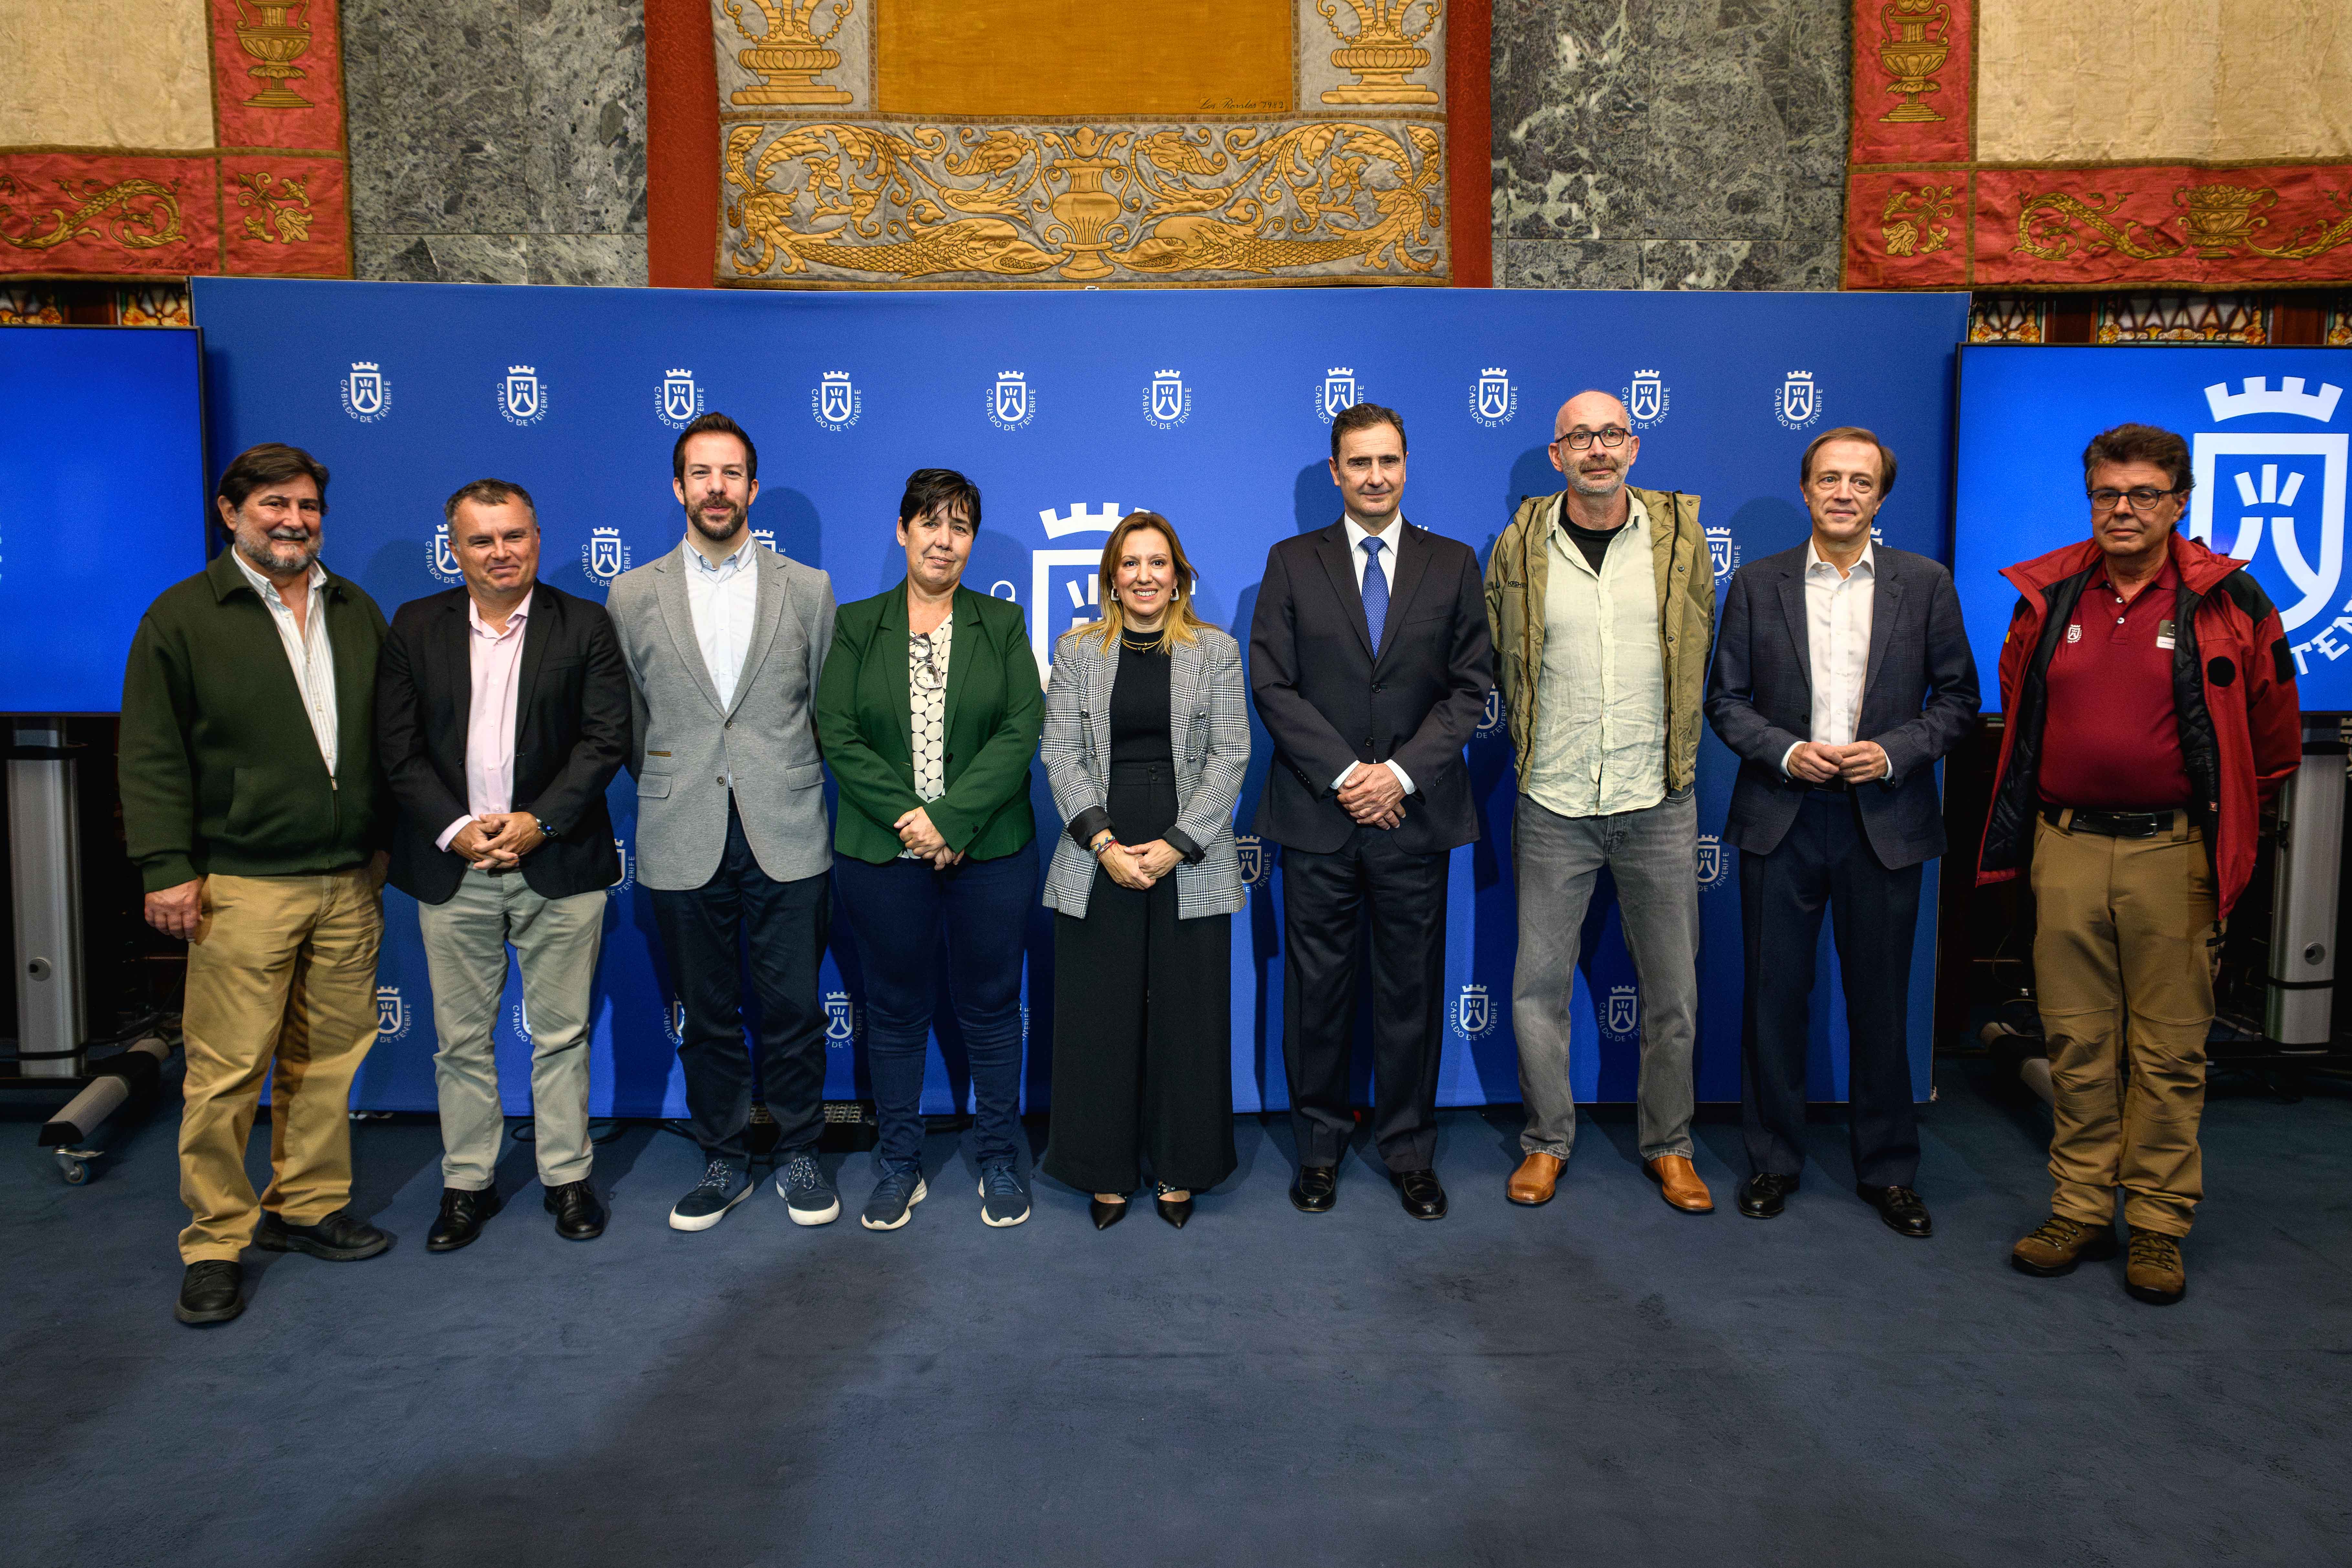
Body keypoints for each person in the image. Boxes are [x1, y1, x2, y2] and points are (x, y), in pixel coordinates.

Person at [1979, 422, 2298, 1305]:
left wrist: (2218, 831)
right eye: (2105, 495)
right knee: (2078, 1041)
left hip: (2172, 854)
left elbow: (2269, 743)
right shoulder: (2046, 596)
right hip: (2066, 845)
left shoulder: (2231, 600)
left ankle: (2156, 1223)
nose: (2121, 510)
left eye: (2142, 494)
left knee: (2167, 1051)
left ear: (2178, 503)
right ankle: (2079, 1206)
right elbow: (2019, 716)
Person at [120, 443, 394, 1326]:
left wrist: (381, 842)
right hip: (240, 882)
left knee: (328, 1059)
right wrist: (166, 866)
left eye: (309, 505)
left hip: (347, 879)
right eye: (274, 503)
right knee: (227, 1070)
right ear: (229, 510)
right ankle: (215, 1240)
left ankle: (306, 1207)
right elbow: (153, 752)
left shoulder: (355, 608)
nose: (294, 520)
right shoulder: (183, 616)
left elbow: (388, 737)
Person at [1705, 428, 1979, 1236]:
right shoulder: (1757, 584)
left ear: (1881, 497)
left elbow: (1959, 701)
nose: (1844, 493)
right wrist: (1788, 751)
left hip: (1885, 819)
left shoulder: (1924, 584)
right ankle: (1773, 1160)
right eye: (1829, 478)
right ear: (1805, 489)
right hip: (1782, 817)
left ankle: (1889, 1170)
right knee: (1774, 1001)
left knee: (1881, 1005)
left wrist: (1892, 754)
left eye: (1861, 481)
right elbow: (1726, 701)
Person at [1249, 403, 1493, 1220]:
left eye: (1388, 460)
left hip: (1414, 817)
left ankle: (1409, 1151)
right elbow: (1272, 687)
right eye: (1359, 463)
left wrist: (1398, 775)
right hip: (1320, 817)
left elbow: (1470, 689)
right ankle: (1318, 1150)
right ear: (1335, 472)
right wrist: (1352, 774)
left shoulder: (1453, 563)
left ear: (1407, 462)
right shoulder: (1291, 562)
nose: (1376, 476)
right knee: (1316, 993)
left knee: (1410, 994)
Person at [376, 478, 631, 1252]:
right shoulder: (415, 626)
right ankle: (467, 1184)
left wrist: (537, 822)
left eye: (514, 535)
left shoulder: (584, 624)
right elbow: (397, 747)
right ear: (455, 548)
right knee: (460, 1040)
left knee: (561, 1035)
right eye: (482, 540)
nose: (501, 553)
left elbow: (604, 739)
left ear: (538, 538)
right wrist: (457, 828)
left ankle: (566, 1176)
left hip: (558, 861)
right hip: (453, 866)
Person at [606, 413, 841, 1233]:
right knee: (706, 1012)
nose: (717, 487)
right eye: (701, 473)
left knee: (793, 1008)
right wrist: (677, 783)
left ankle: (802, 1149)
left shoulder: (806, 588)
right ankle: (723, 1156)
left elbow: (820, 708)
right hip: (681, 830)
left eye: (732, 473)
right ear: (679, 488)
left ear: (751, 487)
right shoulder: (631, 593)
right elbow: (631, 721)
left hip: (788, 825)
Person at [1484, 391, 1715, 1214]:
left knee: (1673, 991)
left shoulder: (1681, 538)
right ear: (1557, 455)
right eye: (1579, 437)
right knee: (1536, 988)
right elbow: (1502, 656)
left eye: (1610, 434)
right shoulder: (1518, 545)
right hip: (1553, 793)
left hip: (1657, 794)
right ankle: (1546, 1142)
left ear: (1634, 446)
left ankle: (1671, 1145)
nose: (1596, 449)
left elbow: (1701, 645)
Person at [815, 470, 1044, 1231]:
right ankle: (899, 1164)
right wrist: (911, 820)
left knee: (989, 1009)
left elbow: (1021, 730)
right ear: (903, 530)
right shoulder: (857, 623)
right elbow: (838, 732)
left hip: (991, 853)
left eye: (961, 526)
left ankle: (999, 1158)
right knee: (894, 1012)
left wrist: (950, 821)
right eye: (931, 523)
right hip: (882, 856)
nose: (945, 540)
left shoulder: (1001, 625)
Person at [1040, 512, 1250, 1230]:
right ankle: (1103, 1167)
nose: (1144, 577)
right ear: (1110, 577)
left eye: (1158, 563)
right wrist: (1104, 844)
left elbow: (1231, 756)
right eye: (1130, 564)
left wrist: (1177, 843)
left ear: (1179, 575)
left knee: (1189, 1019)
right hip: (1097, 847)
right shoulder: (1077, 652)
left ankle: (1179, 1165)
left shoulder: (1216, 652)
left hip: (1190, 851)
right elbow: (1060, 754)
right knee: (1099, 1017)